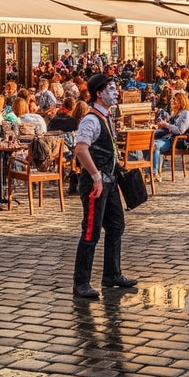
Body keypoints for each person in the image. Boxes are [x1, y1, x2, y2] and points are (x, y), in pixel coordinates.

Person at [72, 73, 135, 298]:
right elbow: (80, 149)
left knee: (116, 226)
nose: (116, 92)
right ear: (99, 93)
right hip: (96, 183)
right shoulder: (91, 119)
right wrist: (96, 176)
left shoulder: (107, 116)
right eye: (111, 89)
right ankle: (81, 283)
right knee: (91, 232)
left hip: (110, 180)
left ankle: (111, 274)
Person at [152, 90, 189, 176]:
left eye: (174, 99)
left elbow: (180, 130)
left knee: (155, 146)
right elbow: (169, 125)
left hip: (176, 140)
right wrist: (161, 125)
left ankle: (154, 173)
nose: (172, 101)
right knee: (148, 143)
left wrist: (166, 124)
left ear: (181, 101)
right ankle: (152, 170)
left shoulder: (186, 114)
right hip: (168, 137)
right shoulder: (176, 113)